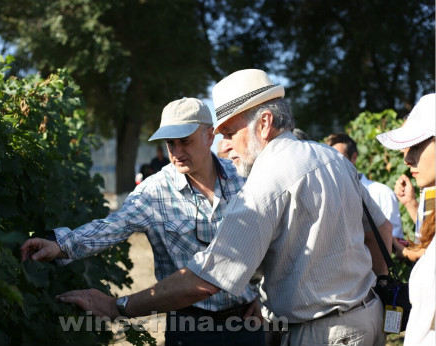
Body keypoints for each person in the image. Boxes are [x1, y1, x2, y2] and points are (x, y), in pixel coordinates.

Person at [55, 69, 393, 346]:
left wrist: (117, 306)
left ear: (263, 123)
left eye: (229, 132)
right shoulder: (329, 157)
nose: (225, 146)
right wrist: (376, 288)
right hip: (367, 318)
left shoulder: (263, 181)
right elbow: (380, 229)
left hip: (321, 334)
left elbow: (207, 280)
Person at [20, 97, 265, 346]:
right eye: (171, 144)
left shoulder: (244, 177)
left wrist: (263, 297)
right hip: (189, 328)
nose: (177, 152)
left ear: (209, 136)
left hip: (247, 323)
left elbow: (272, 241)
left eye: (185, 142)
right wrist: (61, 244)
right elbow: (114, 226)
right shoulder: (155, 191)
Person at [376, 93, 436, 346]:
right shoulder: (429, 192)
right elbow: (427, 241)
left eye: (417, 145)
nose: (406, 158)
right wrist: (411, 204)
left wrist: (402, 252)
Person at [325, 133, 404, 240]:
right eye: (328, 160)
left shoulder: (382, 193)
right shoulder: (328, 197)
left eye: (338, 159)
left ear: (354, 158)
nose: (333, 165)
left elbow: (395, 239)